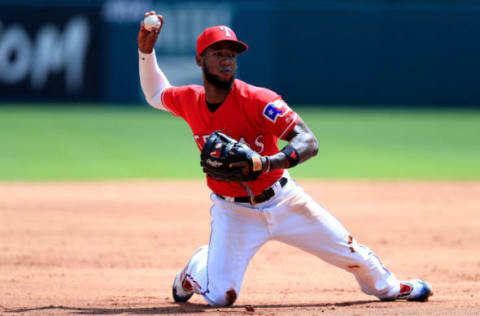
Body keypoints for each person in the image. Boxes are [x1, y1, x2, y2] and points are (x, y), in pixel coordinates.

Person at [138, 11, 432, 307]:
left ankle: (393, 287)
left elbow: (308, 141)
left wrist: (266, 163)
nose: (227, 59)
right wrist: (146, 52)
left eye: (232, 54)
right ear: (201, 60)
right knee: (220, 297)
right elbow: (156, 94)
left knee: (351, 253)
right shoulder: (191, 100)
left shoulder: (259, 100)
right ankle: (197, 268)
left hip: (284, 201)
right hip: (233, 213)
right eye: (218, 53)